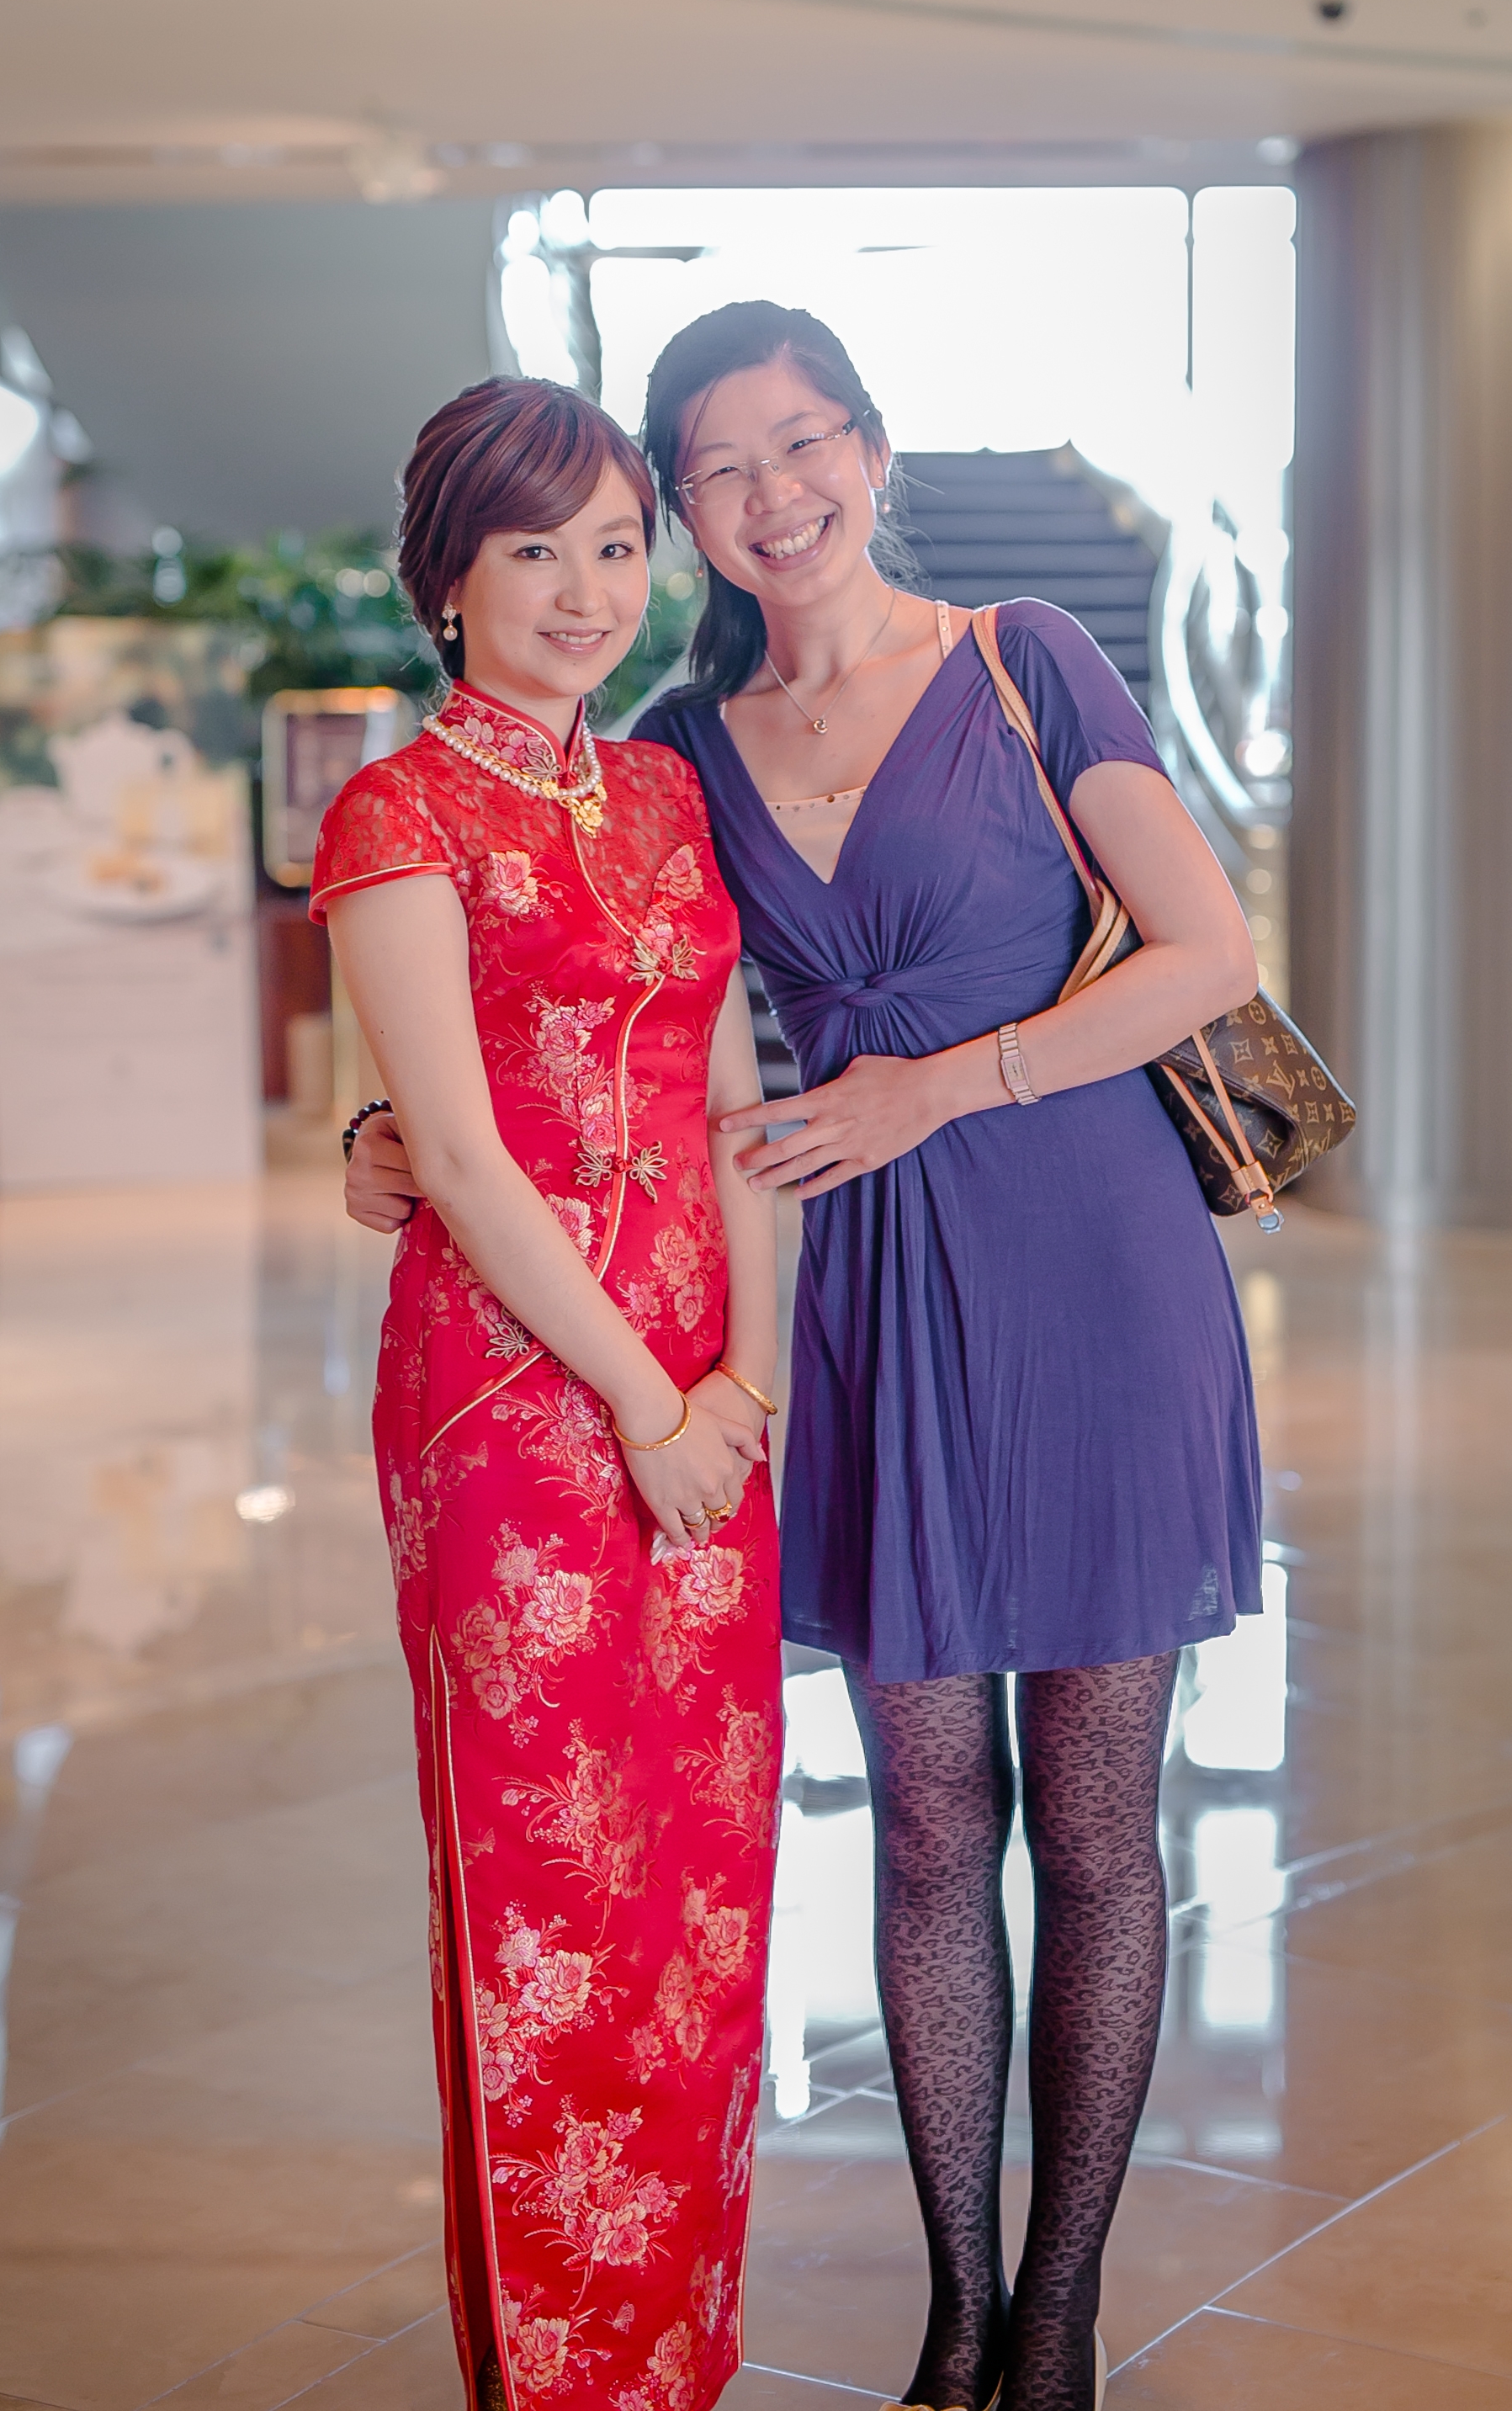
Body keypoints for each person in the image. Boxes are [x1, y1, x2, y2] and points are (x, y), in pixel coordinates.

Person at [349, 305, 1262, 2411]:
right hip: (849, 1297)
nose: (777, 494)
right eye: (722, 466)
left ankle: (1060, 2316)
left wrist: (942, 1085)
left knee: (1095, 1824)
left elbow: (1208, 952)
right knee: (927, 1821)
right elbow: (588, 1005)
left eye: (805, 442)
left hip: (1091, 1272)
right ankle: (956, 2306)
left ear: (870, 445)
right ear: (687, 507)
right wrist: (390, 1135)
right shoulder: (673, 744)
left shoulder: (1027, 657)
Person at [315, 375, 783, 2411]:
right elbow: (459, 1156)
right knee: (552, 1890)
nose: (589, 591)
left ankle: (680, 2355)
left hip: (709, 1394)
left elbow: (735, 1103)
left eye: (616, 546)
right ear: (449, 577)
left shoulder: (666, 791)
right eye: (537, 551)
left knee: (704, 1888)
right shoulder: (397, 814)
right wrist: (645, 1408)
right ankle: (562, 2373)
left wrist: (744, 1381)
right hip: (513, 1406)